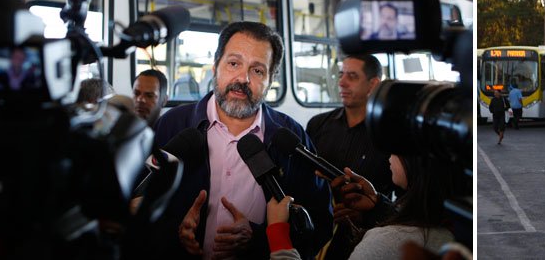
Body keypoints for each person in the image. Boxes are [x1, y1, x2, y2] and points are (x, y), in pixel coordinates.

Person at [150, 21, 333, 259]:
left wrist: (259, 239)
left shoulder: (291, 138)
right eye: (234, 63)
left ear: (271, 79)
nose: (243, 78)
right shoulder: (171, 126)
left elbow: (319, 223)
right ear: (215, 66)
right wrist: (172, 232)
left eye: (257, 70)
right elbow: (137, 207)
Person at [268, 153, 456, 260]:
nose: (389, 153)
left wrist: (278, 236)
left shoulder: (387, 242)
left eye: (397, 144)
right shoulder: (454, 224)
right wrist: (379, 208)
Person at [305, 54, 395, 260]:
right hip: (314, 239)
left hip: (365, 243)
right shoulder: (318, 125)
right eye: (341, 75)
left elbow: (405, 202)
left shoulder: (388, 136)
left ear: (373, 85)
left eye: (352, 76)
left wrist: (367, 214)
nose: (342, 82)